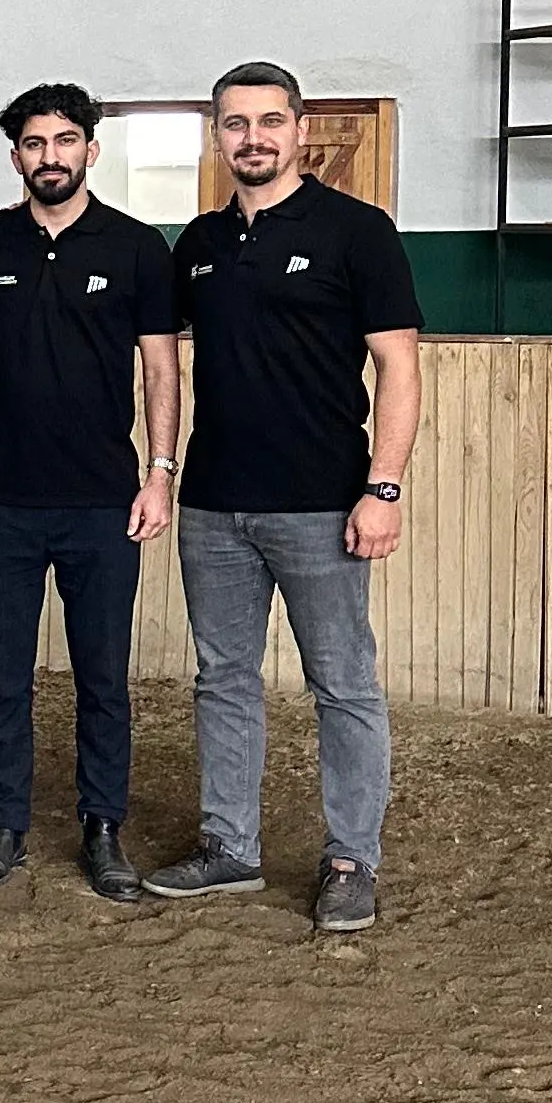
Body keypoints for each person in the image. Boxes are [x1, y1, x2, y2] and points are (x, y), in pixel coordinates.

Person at [147, 62, 422, 935]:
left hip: (321, 504)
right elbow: (163, 363)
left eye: (270, 121)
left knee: (341, 684)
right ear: (217, 135)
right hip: (214, 504)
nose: (252, 138)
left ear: (300, 130)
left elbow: (401, 369)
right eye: (235, 123)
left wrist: (383, 487)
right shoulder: (196, 243)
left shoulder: (357, 231)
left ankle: (352, 859)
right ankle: (230, 846)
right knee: (222, 680)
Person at [0, 84, 180, 904]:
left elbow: (160, 368)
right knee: (2, 674)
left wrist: (160, 472)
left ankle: (102, 827)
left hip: (101, 502)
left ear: (91, 149)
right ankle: (6, 823)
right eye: (34, 142)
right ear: (15, 155)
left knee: (102, 676)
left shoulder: (136, 247)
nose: (50, 155)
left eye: (65, 140)